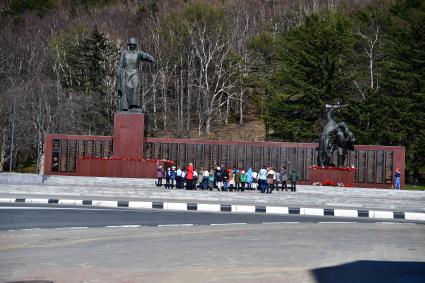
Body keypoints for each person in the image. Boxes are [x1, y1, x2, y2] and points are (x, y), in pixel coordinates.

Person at [116, 37, 155, 111]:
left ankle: (134, 106)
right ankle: (125, 107)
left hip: (134, 73)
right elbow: (120, 64)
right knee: (124, 90)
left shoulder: (138, 53)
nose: (132, 46)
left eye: (133, 45)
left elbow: (146, 56)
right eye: (131, 44)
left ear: (135, 45)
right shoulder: (124, 53)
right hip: (125, 73)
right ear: (128, 45)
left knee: (135, 87)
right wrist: (118, 72)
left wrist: (151, 58)